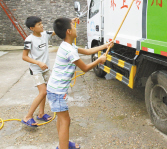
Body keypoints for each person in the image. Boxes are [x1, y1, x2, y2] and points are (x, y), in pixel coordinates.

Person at [47, 17, 113, 149]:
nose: (76, 27)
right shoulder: (70, 50)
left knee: (61, 119)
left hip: (54, 89)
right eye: (73, 25)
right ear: (68, 31)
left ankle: (63, 144)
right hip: (58, 91)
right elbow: (85, 68)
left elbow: (88, 51)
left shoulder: (67, 46)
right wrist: (99, 60)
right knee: (65, 120)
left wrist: (105, 46)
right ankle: (63, 146)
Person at [22, 16, 56, 127]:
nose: (42, 25)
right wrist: (38, 63)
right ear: (32, 28)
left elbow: (58, 31)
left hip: (45, 68)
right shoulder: (29, 40)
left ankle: (41, 114)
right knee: (43, 92)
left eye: (41, 23)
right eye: (39, 24)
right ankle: (27, 117)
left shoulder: (45, 34)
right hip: (36, 69)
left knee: (44, 91)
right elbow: (24, 57)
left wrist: (70, 22)